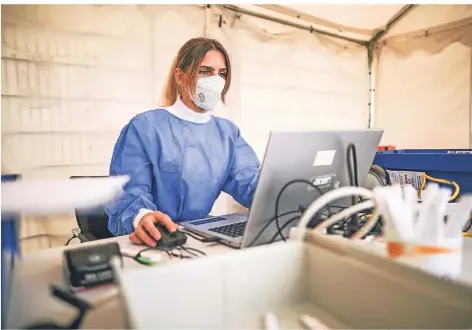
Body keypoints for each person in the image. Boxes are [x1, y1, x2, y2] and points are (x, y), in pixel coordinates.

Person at [105, 37, 260, 247]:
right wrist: (142, 216)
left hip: (199, 239)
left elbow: (250, 183)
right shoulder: (146, 126)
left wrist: (287, 191)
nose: (216, 80)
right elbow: (128, 191)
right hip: (158, 240)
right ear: (181, 77)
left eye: (222, 74)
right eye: (205, 71)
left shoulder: (227, 133)